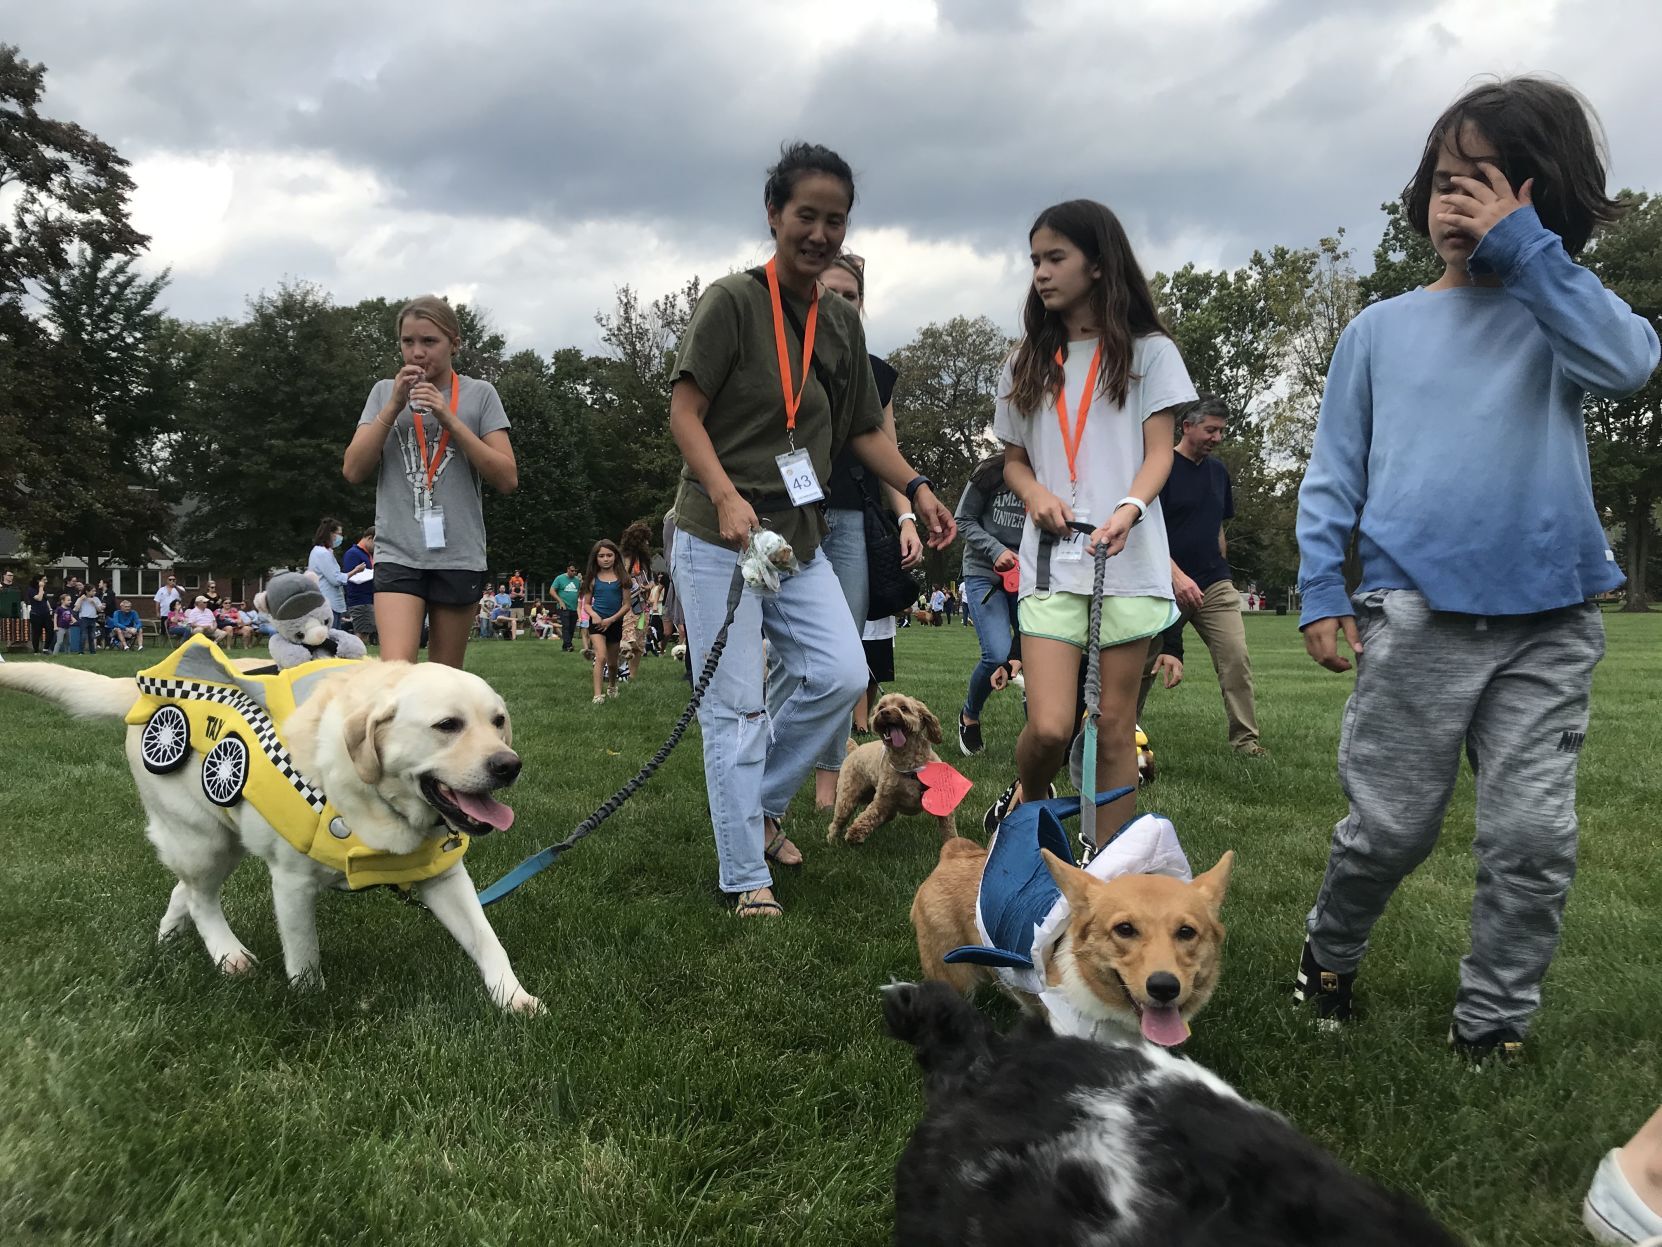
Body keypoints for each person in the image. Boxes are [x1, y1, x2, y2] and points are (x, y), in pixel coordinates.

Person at [1291, 77, 1659, 1059]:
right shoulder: (1379, 331)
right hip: (1415, 614)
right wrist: (1322, 584)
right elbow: (1333, 473)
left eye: (1486, 184)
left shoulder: (1559, 315)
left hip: (1550, 618)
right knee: (1391, 830)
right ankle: (1329, 948)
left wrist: (1530, 252)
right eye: (1445, 181)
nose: (1458, 202)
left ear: (1544, 198)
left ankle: (1492, 1024)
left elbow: (1629, 364)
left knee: (1533, 838)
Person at [669, 141, 954, 919]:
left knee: (839, 673)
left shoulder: (837, 323)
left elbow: (863, 429)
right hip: (716, 535)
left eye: (836, 220)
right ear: (773, 215)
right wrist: (725, 497)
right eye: (806, 215)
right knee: (735, 707)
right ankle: (744, 875)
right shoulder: (731, 302)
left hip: (799, 536)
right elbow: (684, 413)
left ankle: (754, 803)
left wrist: (916, 485)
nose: (821, 233)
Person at [982, 198, 1196, 845]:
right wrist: (1035, 491)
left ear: (1099, 266)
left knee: (1111, 725)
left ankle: (1107, 868)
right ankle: (1029, 797)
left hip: (1127, 564)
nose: (1041, 273)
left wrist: (1129, 508)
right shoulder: (1025, 360)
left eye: (1055, 258)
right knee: (1049, 727)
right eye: (1035, 261)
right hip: (1050, 563)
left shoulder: (1150, 354)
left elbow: (1161, 453)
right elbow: (1011, 462)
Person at [776, 250, 923, 810]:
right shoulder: (786, 362)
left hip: (853, 518)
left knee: (848, 657)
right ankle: (768, 772)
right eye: (829, 293)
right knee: (794, 657)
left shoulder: (876, 373)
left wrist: (908, 513)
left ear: (864, 304)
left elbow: (887, 449)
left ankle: (828, 781)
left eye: (851, 296)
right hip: (792, 518)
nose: (840, 304)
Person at [342, 295, 516, 668]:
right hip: (398, 550)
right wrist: (393, 405)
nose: (417, 352)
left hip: (458, 553)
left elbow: (506, 477)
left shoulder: (480, 394)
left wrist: (448, 416)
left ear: (454, 342)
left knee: (443, 679)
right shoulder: (381, 393)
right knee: (396, 673)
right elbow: (353, 470)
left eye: (429, 342)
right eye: (408, 342)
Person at [1137, 394, 1265, 755]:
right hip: (1163, 583)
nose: (1217, 438)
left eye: (1221, 431)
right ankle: (1117, 738)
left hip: (1213, 583)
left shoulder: (1218, 473)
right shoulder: (1160, 469)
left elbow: (1217, 528)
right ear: (1187, 426)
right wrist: (1176, 576)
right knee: (1139, 668)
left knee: (1236, 658)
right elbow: (1146, 532)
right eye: (1210, 430)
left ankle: (1246, 741)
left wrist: (1221, 568)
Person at [954, 452, 1027, 756]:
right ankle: (970, 715)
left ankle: (1041, 732)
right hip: (985, 571)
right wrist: (996, 550)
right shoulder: (989, 473)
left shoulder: (1051, 473)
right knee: (997, 653)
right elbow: (963, 519)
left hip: (1030, 575)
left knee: (1037, 654)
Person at [584, 538, 627, 704]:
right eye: (601, 555)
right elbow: (586, 604)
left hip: (614, 623)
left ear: (616, 556)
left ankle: (612, 685)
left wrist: (612, 619)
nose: (606, 559)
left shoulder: (622, 578)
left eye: (609, 555)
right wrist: (594, 615)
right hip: (596, 623)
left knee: (613, 662)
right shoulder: (592, 579)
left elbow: (627, 605)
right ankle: (597, 695)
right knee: (600, 656)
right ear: (596, 558)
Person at [307, 518, 349, 628]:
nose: (340, 537)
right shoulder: (322, 553)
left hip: (329, 602)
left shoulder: (322, 552)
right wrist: (354, 573)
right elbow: (335, 579)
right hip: (328, 603)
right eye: (338, 534)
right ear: (330, 534)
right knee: (331, 636)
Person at [341, 526, 377, 644]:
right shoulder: (353, 554)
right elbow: (352, 577)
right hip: (359, 600)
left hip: (367, 599)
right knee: (361, 633)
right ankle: (356, 656)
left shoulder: (367, 554)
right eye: (376, 544)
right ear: (369, 538)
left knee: (365, 632)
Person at [552, 562, 582, 651]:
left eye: (575, 571)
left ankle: (565, 646)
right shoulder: (560, 578)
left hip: (574, 607)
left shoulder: (577, 580)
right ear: (567, 569)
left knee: (572, 627)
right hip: (563, 607)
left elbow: (579, 592)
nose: (574, 573)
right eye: (572, 571)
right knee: (566, 626)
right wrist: (560, 601)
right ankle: (569, 645)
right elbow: (552, 591)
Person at [26, 575, 52, 654]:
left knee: (50, 631)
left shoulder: (43, 589)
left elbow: (45, 600)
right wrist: (41, 588)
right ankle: (36, 650)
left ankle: (46, 649)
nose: (46, 581)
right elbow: (39, 598)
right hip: (36, 614)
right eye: (44, 580)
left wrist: (50, 609)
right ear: (38, 581)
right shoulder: (31, 589)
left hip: (46, 613)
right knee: (37, 633)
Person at [74, 584, 102, 653]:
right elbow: (76, 609)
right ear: (87, 591)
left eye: (95, 591)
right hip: (84, 619)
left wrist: (94, 603)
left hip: (93, 619)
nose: (94, 592)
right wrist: (80, 600)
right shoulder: (81, 598)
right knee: (83, 636)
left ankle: (92, 651)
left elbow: (99, 610)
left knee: (92, 636)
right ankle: (81, 651)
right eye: (92, 591)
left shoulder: (96, 599)